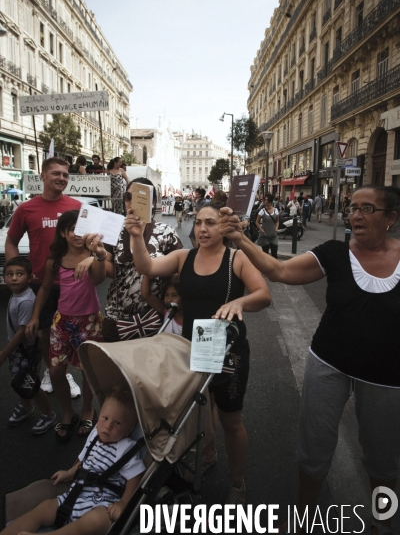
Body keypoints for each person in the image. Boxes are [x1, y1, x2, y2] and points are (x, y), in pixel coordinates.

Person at [219, 185, 400, 535]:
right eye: (353, 207)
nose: (357, 215)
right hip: (328, 363)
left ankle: (383, 522)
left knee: (383, 461)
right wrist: (241, 240)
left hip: (387, 376)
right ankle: (304, 517)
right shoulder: (334, 252)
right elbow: (279, 271)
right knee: (313, 448)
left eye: (368, 209)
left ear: (390, 218)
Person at [126, 202, 271, 505]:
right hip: (193, 346)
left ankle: (236, 481)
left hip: (229, 350)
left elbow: (263, 295)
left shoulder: (237, 258)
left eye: (211, 222)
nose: (203, 229)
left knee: (231, 420)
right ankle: (207, 455)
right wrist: (137, 236)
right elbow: (147, 268)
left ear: (223, 227)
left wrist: (240, 304)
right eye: (198, 222)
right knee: (198, 412)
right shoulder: (183, 257)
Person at [1, 387, 145, 535]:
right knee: (45, 507)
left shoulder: (126, 448)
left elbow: (134, 478)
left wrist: (123, 503)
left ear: (129, 430)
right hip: (77, 494)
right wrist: (69, 473)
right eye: (105, 418)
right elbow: (83, 460)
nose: (108, 426)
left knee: (96, 520)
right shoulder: (95, 435)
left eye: (118, 423)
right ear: (100, 415)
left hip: (102, 500)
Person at [25, 210, 106, 442]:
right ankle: (68, 412)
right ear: (63, 232)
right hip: (62, 322)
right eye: (72, 229)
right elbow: (44, 288)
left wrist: (95, 257)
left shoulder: (94, 254)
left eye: (82, 228)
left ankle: (88, 409)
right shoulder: (55, 260)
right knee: (56, 371)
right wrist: (35, 317)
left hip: (89, 321)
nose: (77, 234)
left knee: (90, 373)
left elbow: (99, 278)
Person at [5, 158, 82, 398]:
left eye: (65, 175)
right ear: (43, 176)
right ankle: (52, 370)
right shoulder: (26, 209)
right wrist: (18, 271)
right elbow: (11, 242)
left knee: (71, 331)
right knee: (45, 332)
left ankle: (64, 371)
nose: (62, 178)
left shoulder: (77, 207)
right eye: (56, 174)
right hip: (40, 283)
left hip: (72, 283)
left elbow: (91, 240)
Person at [102, 178, 182, 343]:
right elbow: (108, 270)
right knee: (116, 367)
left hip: (153, 317)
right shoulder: (114, 230)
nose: (132, 202)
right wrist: (95, 257)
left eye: (139, 197)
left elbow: (179, 272)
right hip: (117, 317)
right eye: (128, 197)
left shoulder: (166, 231)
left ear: (152, 201)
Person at [0, 257, 56, 434]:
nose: (14, 278)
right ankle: (26, 407)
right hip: (19, 348)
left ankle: (48, 414)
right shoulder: (18, 295)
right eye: (9, 274)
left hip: (25, 349)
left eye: (19, 274)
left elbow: (23, 332)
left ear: (30, 278)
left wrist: (4, 352)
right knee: (19, 378)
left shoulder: (25, 301)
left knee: (29, 381)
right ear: (4, 278)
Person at [255, 193, 279, 258]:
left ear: (271, 201)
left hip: (273, 236)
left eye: (267, 200)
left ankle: (275, 267)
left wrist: (276, 229)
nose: (266, 201)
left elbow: (277, 221)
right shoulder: (262, 211)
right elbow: (257, 222)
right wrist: (262, 230)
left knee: (274, 255)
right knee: (265, 256)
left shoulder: (276, 210)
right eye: (265, 200)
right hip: (265, 236)